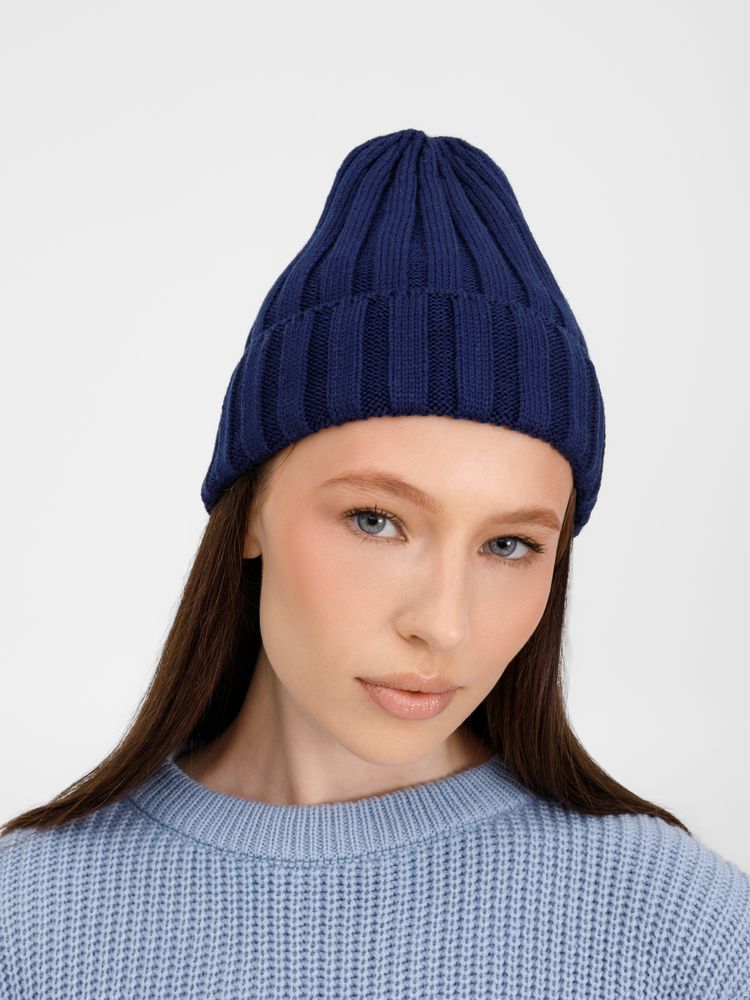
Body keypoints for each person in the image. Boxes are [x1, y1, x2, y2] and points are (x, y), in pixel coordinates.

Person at [1, 128, 747, 998]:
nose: (443, 623)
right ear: (250, 514)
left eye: (509, 544)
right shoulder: (29, 918)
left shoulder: (682, 927)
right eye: (376, 519)